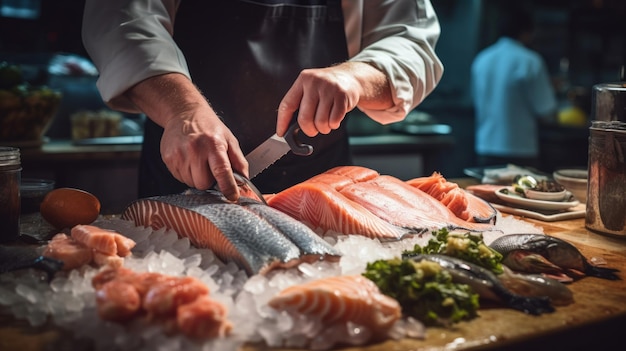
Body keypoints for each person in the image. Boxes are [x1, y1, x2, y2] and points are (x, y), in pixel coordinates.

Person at [82, 0, 443, 201]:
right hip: (187, 178)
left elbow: (411, 41)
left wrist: (354, 76)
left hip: (324, 183)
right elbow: (121, 21)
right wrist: (183, 110)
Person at [470, 6, 558, 169]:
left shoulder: (482, 59)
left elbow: (476, 100)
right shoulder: (530, 61)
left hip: (486, 146)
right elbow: (545, 111)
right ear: (526, 32)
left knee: (483, 193)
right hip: (520, 149)